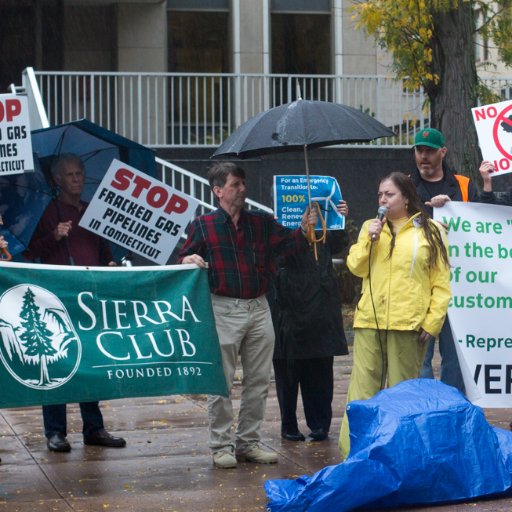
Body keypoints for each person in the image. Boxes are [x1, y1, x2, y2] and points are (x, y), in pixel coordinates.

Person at [178, 161, 317, 469]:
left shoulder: (262, 223)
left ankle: (248, 442)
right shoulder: (204, 225)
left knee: (258, 380)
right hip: (222, 307)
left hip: (258, 306)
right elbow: (182, 257)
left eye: (243, 183)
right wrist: (189, 257)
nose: (243, 189)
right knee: (221, 382)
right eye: (235, 185)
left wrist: (306, 229)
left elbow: (291, 246)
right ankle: (221, 445)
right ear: (218, 191)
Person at [338, 172, 451, 459]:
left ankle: (401, 456)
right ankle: (355, 454)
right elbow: (355, 267)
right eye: (380, 195)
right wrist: (370, 240)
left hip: (408, 323)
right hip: (369, 321)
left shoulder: (431, 231)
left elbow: (441, 282)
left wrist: (433, 320)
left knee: (403, 393)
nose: (383, 200)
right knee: (362, 391)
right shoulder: (370, 228)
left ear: (406, 197)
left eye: (389, 194)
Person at [25, 153, 126, 453]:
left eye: (80, 173)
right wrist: (53, 236)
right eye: (70, 175)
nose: (77, 179)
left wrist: (109, 264)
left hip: (89, 297)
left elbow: (105, 251)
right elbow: (29, 254)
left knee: (92, 362)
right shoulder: (47, 212)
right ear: (57, 179)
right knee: (57, 361)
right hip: (56, 297)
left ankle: (94, 427)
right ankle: (55, 431)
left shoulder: (93, 211)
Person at [271, 200, 349, 443]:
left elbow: (338, 245)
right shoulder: (276, 228)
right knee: (289, 372)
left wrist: (339, 221)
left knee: (321, 370)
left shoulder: (324, 229)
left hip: (320, 305)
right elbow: (280, 254)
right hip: (289, 307)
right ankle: (289, 424)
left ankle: (320, 424)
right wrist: (303, 231)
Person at [411, 128, 479, 394]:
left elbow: (480, 225)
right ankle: (424, 411)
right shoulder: (404, 185)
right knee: (420, 358)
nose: (423, 156)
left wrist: (453, 208)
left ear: (443, 152)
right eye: (419, 150)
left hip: (456, 285)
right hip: (419, 285)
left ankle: (452, 410)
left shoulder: (463, 184)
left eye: (429, 150)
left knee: (455, 358)